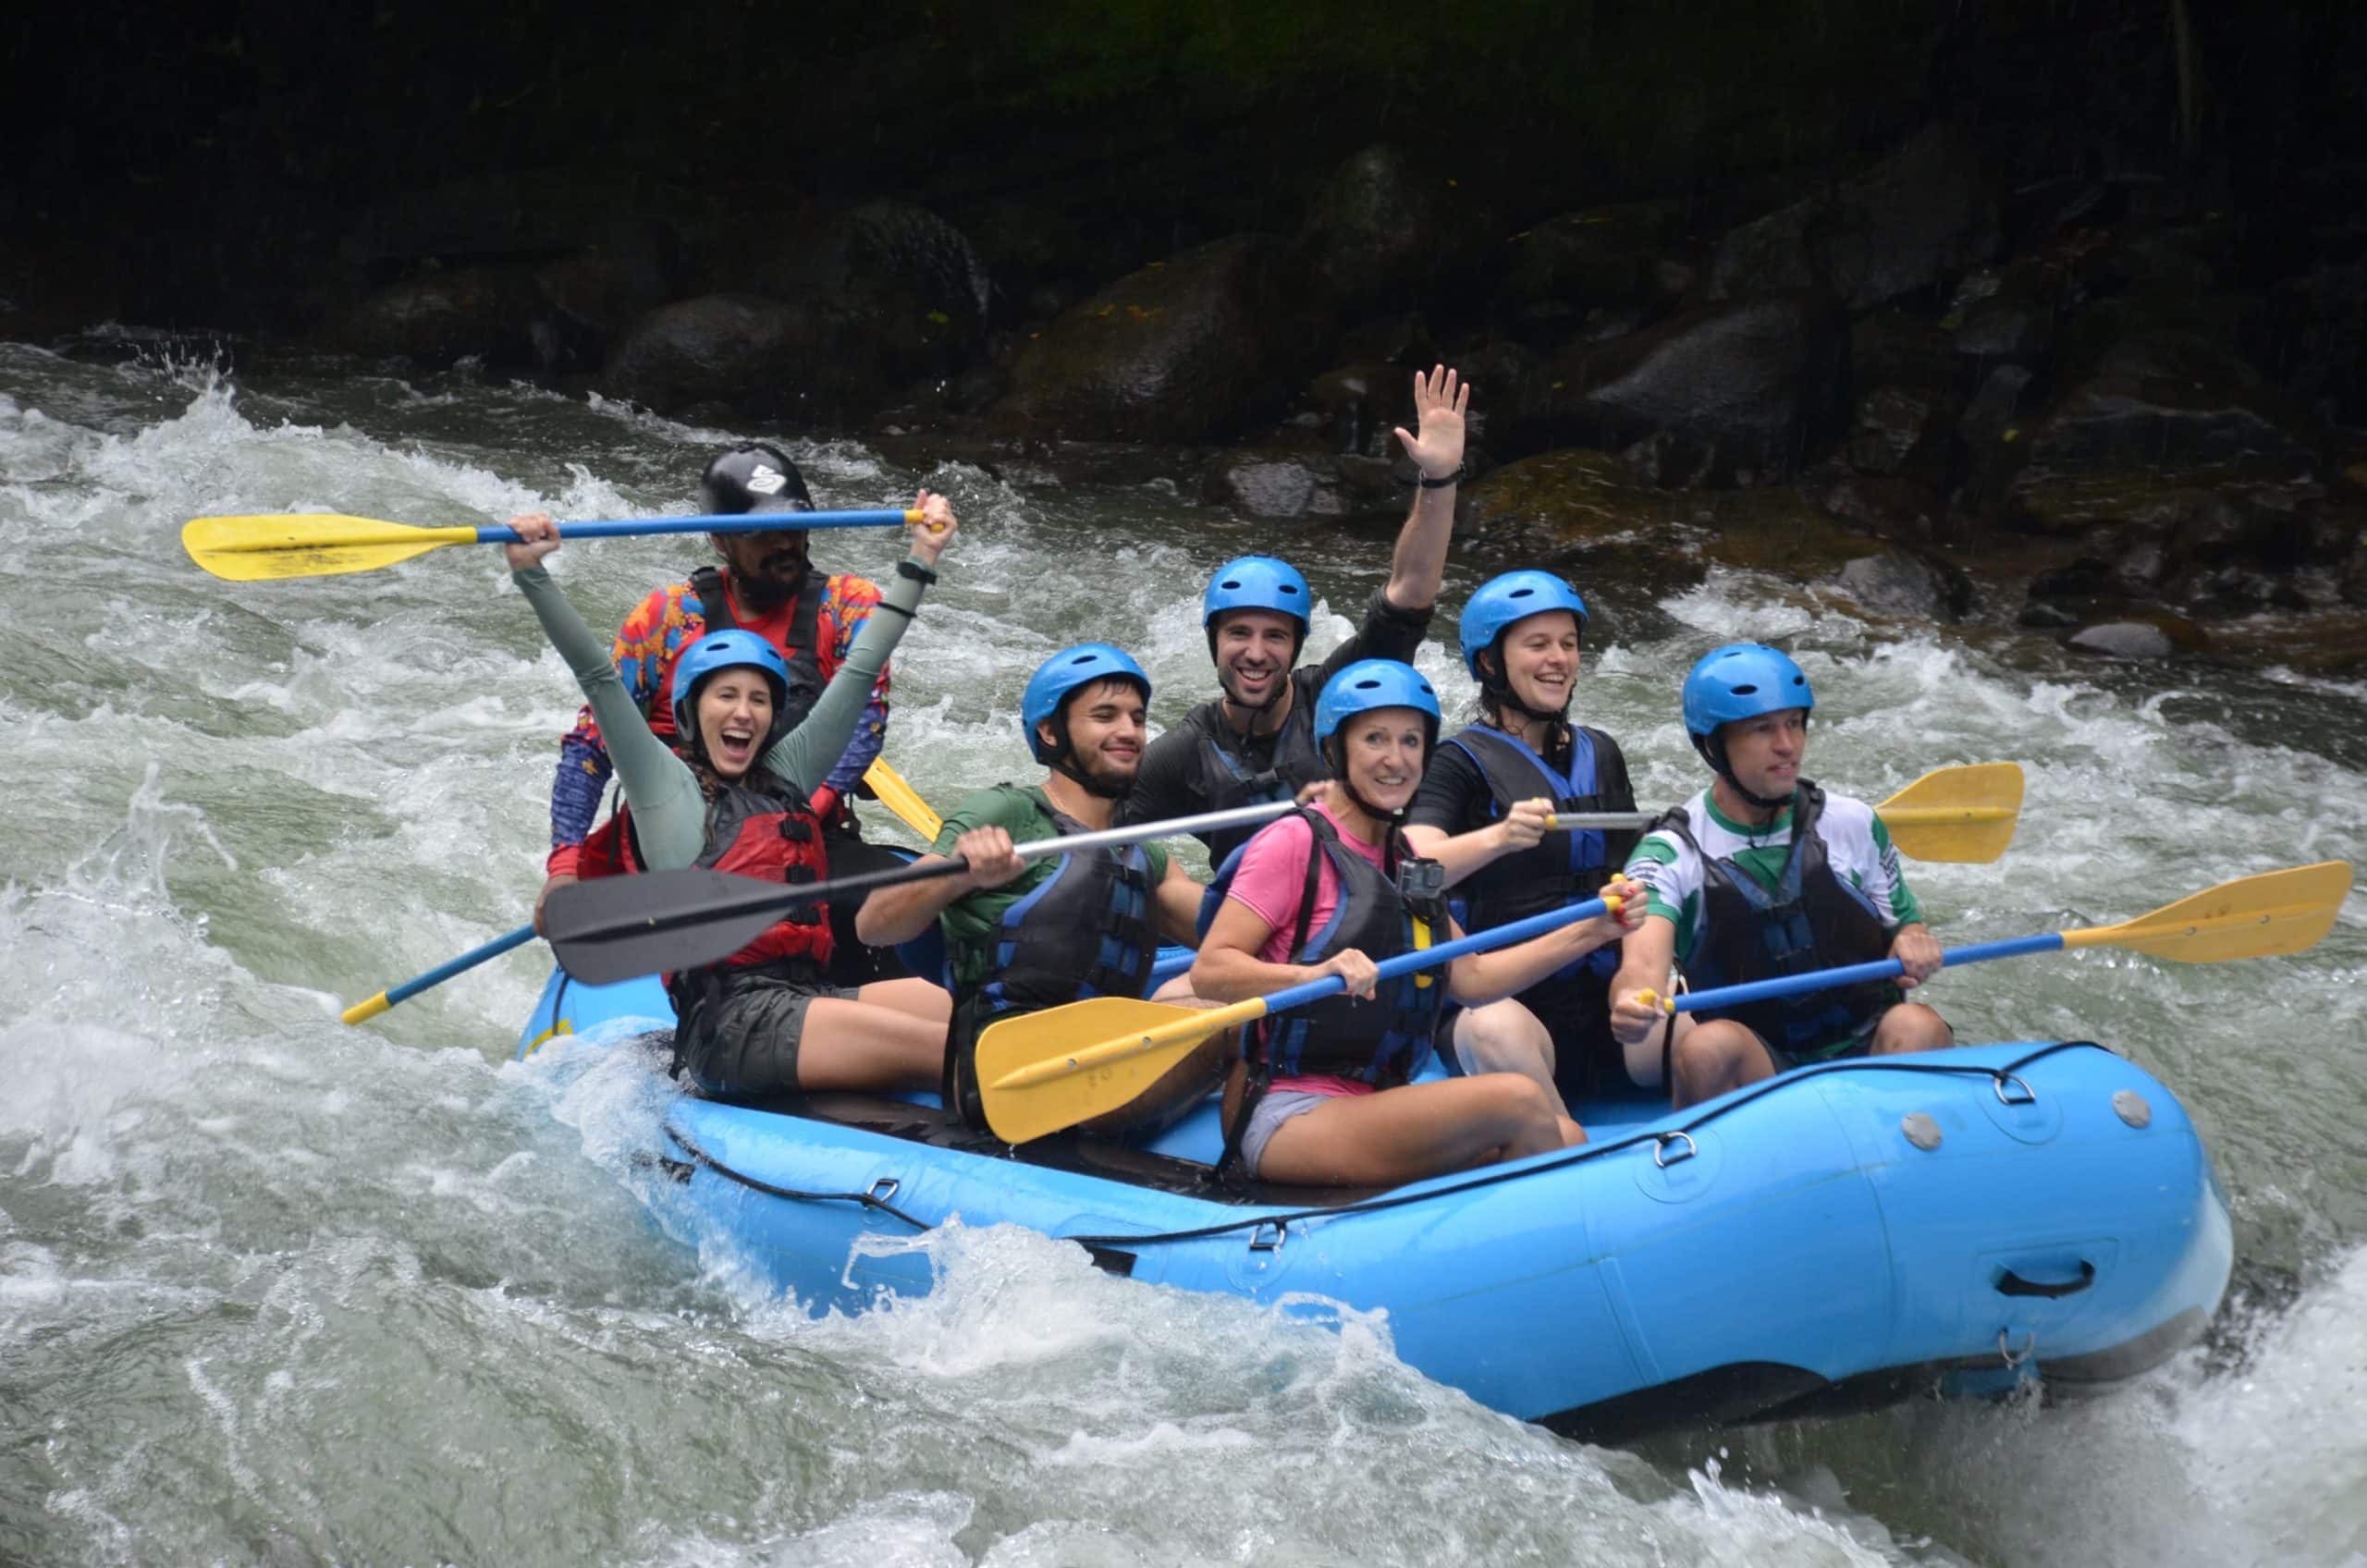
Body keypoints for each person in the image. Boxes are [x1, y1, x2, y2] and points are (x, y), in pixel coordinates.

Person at [504, 495, 961, 1099]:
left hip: (803, 996)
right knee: (961, 1051)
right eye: (726, 696)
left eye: (759, 699)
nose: (743, 713)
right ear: (693, 712)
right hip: (733, 1026)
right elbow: (598, 677)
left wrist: (923, 554)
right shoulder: (662, 790)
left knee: (967, 1013)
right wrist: (532, 574)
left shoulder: (787, 778)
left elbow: (863, 665)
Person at [1191, 660, 1641, 1186]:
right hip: (1288, 1110)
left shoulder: (1407, 865)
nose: (1396, 760)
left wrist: (1595, 929)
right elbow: (1211, 971)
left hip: (1378, 1101)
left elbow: (1474, 981)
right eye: (1375, 740)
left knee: (1569, 1136)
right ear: (1336, 751)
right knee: (1517, 1099)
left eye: (1411, 741)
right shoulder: (1295, 841)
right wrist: (1311, 976)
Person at [532, 442, 902, 986]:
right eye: (760, 533)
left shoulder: (847, 605)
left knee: (909, 898)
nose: (784, 544)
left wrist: (785, 827)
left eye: (794, 527)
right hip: (683, 853)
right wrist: (564, 867)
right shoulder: (665, 619)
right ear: (720, 539)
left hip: (805, 836)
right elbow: (592, 745)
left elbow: (864, 725)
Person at [855, 644, 1222, 1134]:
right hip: (1013, 1081)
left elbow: (1229, 938)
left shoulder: (1142, 855)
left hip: (1094, 1066)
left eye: (1137, 718)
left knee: (1224, 991)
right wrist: (961, 875)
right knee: (1236, 1023)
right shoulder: (1009, 813)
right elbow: (874, 924)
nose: (1128, 732)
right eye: (1104, 716)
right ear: (1050, 732)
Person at [1119, 364, 1470, 866]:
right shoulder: (1185, 754)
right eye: (1239, 633)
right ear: (1213, 641)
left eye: (1276, 637)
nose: (1256, 653)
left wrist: (1438, 477)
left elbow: (1410, 593)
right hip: (1256, 936)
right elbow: (1091, 826)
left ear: (1297, 645)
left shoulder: (1338, 693)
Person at [1607, 643, 1951, 1111]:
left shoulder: (1852, 822)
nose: (1787, 746)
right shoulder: (1670, 852)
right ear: (1714, 744)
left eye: (1793, 723)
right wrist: (1632, 999)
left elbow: (1905, 927)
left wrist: (1914, 939)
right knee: (1707, 1048)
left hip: (1868, 1045)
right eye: (1763, 729)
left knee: (1920, 1026)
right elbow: (1641, 968)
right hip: (1762, 1065)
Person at [1404, 570, 1637, 1109]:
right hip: (1506, 1007)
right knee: (1495, 1028)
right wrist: (1499, 838)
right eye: (1538, 645)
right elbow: (1411, 865)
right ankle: (1560, 1151)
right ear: (1490, 663)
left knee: (1690, 1015)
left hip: (1602, 997)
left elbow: (1641, 868)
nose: (1558, 658)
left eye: (1568, 644)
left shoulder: (1602, 752)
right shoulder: (1454, 763)